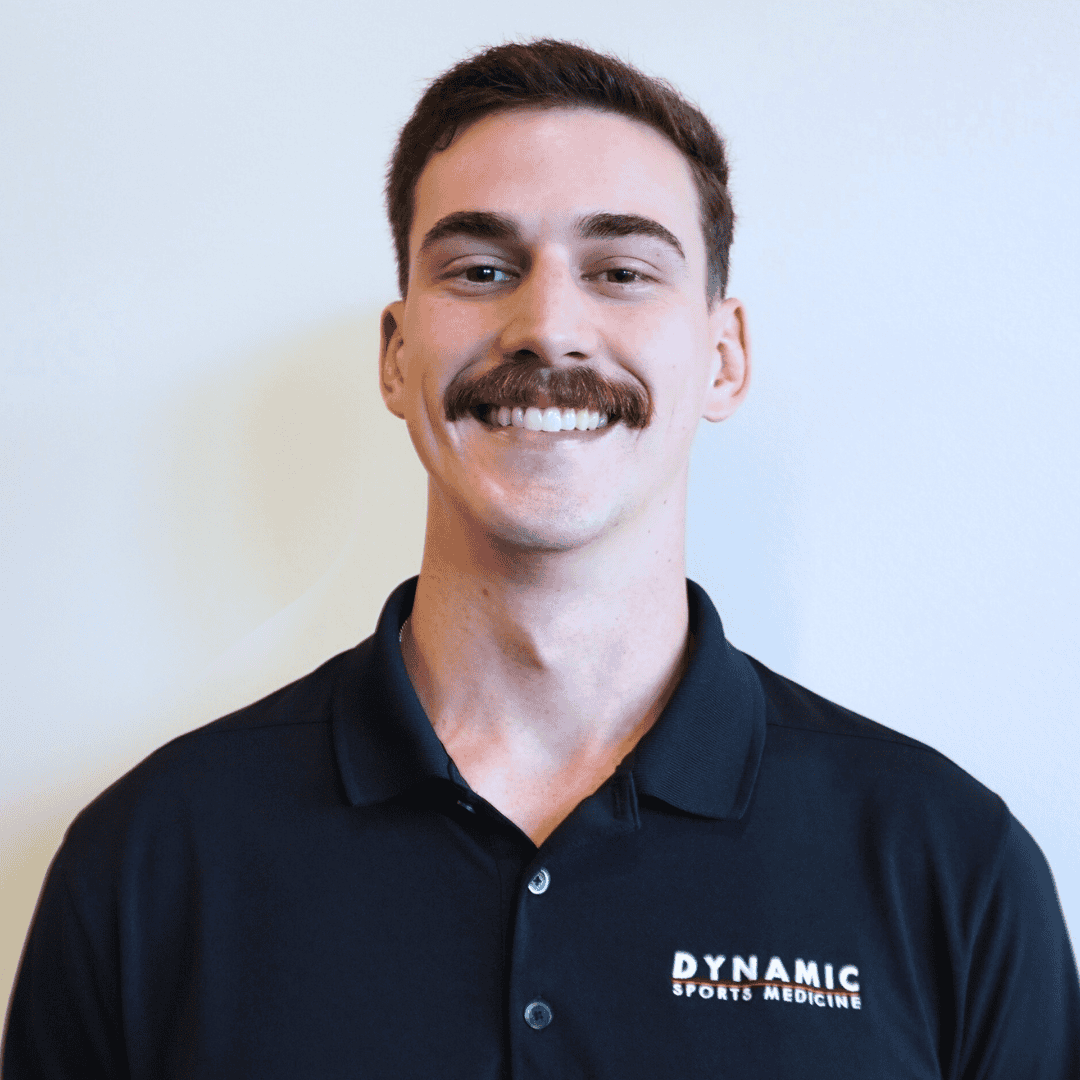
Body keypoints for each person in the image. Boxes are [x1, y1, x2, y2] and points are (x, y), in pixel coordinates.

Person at [4, 39, 1078, 1078]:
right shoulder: (151, 859)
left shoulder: (948, 868)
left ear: (724, 355)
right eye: (480, 268)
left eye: (619, 270)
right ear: (395, 356)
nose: (547, 325)